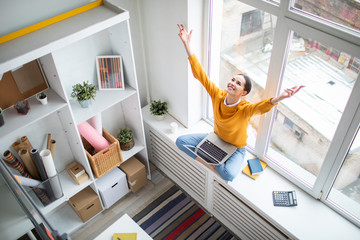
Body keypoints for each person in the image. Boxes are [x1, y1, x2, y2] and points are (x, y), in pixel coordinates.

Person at [175, 24, 304, 182]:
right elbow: (200, 74)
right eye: (233, 80)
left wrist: (281, 97)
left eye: (238, 83)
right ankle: (212, 164)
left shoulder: (245, 109)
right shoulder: (217, 95)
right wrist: (187, 44)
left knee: (228, 175)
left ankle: (213, 163)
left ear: (243, 92)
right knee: (180, 142)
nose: (232, 83)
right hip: (215, 140)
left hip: (236, 149)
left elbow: (262, 107)